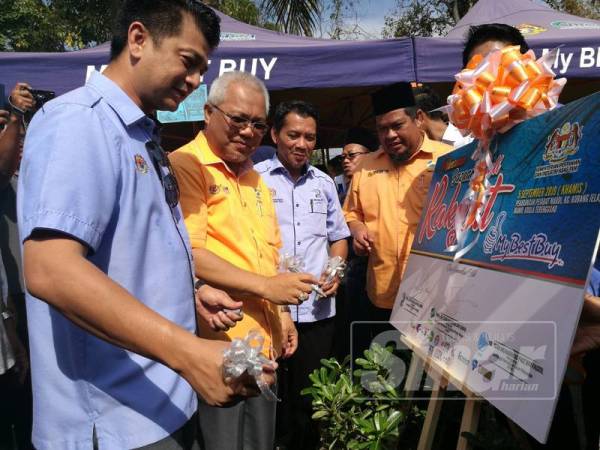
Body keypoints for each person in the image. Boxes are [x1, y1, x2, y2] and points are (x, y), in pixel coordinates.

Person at [18, 3, 273, 449]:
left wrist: (188, 296)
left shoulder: (137, 133)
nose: (196, 81)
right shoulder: (80, 121)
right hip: (114, 421)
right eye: (188, 62)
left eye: (202, 69)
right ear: (138, 39)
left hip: (160, 404)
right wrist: (189, 353)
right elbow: (50, 269)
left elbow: (127, 256)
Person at [169, 72, 317, 450]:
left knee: (259, 441)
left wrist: (281, 315)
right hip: (221, 343)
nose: (248, 131)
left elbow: (270, 253)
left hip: (263, 341)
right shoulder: (187, 164)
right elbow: (191, 253)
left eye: (257, 123)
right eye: (237, 119)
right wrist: (268, 288)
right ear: (208, 113)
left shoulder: (254, 178)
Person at [254, 100, 350, 450]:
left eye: (310, 137)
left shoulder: (324, 183)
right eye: (293, 135)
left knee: (311, 398)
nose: (302, 144)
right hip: (271, 310)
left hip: (316, 310)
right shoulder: (256, 181)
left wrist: (335, 269)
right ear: (275, 134)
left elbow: (339, 236)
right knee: (272, 395)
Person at [343, 82, 453, 353]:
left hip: (435, 297)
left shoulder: (449, 159)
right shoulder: (365, 166)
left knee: (429, 381)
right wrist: (356, 230)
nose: (389, 134)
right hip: (382, 297)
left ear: (418, 119)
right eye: (382, 128)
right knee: (389, 372)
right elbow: (351, 212)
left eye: (397, 125)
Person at [0, 83, 33, 449]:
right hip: (12, 305)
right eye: (12, 136)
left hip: (35, 301)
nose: (18, 141)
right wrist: (15, 114)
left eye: (24, 136)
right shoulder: (3, 179)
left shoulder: (37, 177)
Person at [337, 127, 378, 201]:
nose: (345, 160)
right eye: (343, 157)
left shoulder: (382, 185)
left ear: (369, 155)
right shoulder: (346, 188)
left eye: (352, 155)